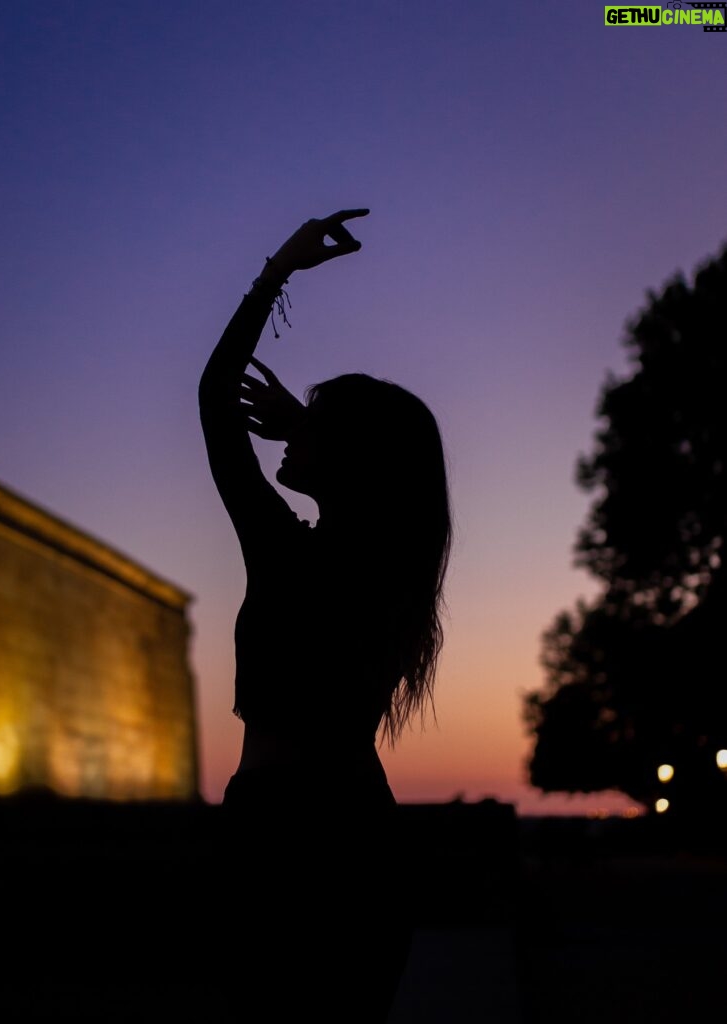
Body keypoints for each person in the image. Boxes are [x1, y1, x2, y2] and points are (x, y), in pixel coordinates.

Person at [198, 210, 453, 1022]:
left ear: (344, 456)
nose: (286, 424)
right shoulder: (390, 570)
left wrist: (277, 270)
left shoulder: (295, 555)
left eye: (309, 418)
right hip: (349, 834)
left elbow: (212, 399)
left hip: (283, 833)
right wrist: (309, 432)